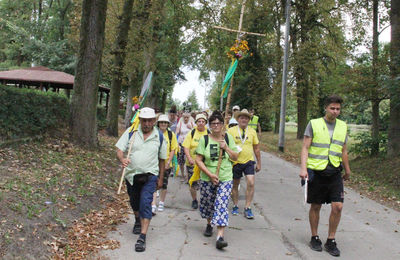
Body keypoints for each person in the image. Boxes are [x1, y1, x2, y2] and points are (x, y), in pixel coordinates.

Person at [299, 95, 351, 257]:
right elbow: (305, 148)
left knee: (338, 206)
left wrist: (347, 170)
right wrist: (303, 168)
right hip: (316, 171)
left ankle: (331, 240)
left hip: (335, 171)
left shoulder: (343, 126)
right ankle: (315, 237)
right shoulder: (314, 124)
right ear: (326, 108)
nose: (335, 112)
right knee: (316, 206)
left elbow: (343, 150)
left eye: (338, 109)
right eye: (332, 108)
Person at [115, 107, 167, 252]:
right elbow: (119, 149)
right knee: (134, 201)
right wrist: (122, 159)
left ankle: (142, 236)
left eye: (150, 120)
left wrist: (161, 179)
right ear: (140, 120)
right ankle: (137, 219)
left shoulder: (159, 136)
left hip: (150, 176)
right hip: (131, 175)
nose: (147, 123)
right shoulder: (132, 131)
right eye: (144, 120)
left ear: (154, 121)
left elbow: (162, 159)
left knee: (145, 202)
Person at [195, 111, 239, 250]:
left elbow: (235, 157)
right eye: (213, 123)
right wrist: (210, 174)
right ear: (210, 125)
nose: (215, 126)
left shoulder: (228, 138)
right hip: (207, 177)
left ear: (222, 124)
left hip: (225, 177)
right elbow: (198, 160)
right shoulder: (204, 140)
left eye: (218, 123)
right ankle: (209, 224)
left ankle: (220, 236)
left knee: (221, 204)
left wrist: (226, 147)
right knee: (208, 204)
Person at [228, 109, 261, 219]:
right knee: (235, 185)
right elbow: (226, 146)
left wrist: (259, 163)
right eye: (242, 118)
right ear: (238, 119)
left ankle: (247, 207)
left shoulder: (252, 131)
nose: (244, 120)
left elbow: (256, 148)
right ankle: (236, 205)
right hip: (235, 162)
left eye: (246, 118)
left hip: (248, 161)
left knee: (251, 183)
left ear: (248, 120)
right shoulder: (231, 131)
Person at [151, 115, 178, 212]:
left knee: (164, 184)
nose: (163, 124)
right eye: (161, 122)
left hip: (166, 164)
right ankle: (153, 204)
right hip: (154, 163)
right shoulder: (154, 133)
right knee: (153, 183)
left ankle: (161, 202)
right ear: (158, 123)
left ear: (167, 124)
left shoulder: (171, 135)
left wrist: (169, 162)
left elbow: (173, 149)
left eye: (165, 123)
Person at [182, 113, 209, 209]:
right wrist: (189, 158)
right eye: (199, 121)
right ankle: (194, 200)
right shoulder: (192, 133)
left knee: (205, 183)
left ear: (205, 123)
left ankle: (204, 200)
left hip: (206, 164)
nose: (201, 123)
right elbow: (186, 146)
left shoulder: (209, 133)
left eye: (203, 121)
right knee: (193, 182)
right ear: (196, 122)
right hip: (192, 163)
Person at [176, 112, 195, 181]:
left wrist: (191, 127)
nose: (186, 119)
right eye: (185, 117)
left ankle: (188, 176)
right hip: (181, 143)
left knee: (188, 159)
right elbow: (177, 132)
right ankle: (182, 175)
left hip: (189, 144)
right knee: (181, 160)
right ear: (182, 117)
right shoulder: (180, 123)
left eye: (187, 117)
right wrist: (176, 141)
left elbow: (196, 132)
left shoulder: (192, 123)